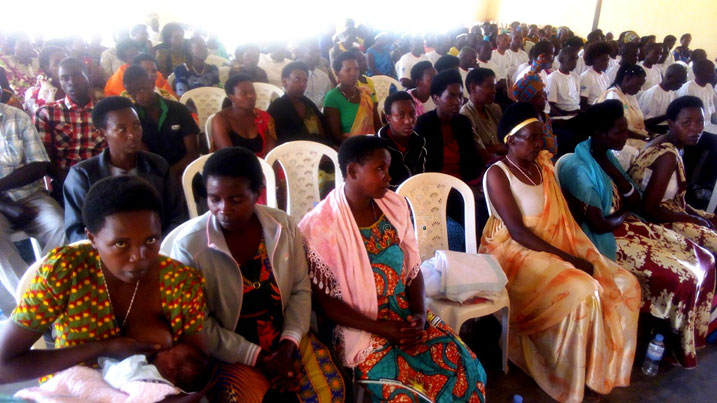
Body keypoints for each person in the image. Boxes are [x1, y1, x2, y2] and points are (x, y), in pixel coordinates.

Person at [299, 135, 486, 402]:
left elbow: (412, 269)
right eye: (380, 169)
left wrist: (419, 316)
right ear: (352, 171)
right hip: (360, 329)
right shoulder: (320, 226)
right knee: (412, 395)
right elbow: (325, 304)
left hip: (405, 315)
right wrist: (384, 328)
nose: (388, 176)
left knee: (468, 368)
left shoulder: (393, 207)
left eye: (387, 168)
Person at [481, 101, 640, 402]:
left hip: (553, 244)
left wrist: (578, 250)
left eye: (540, 136)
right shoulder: (498, 174)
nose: (538, 144)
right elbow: (518, 232)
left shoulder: (544, 167)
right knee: (581, 289)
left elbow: (562, 217)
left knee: (625, 282)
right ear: (511, 140)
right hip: (515, 253)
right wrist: (570, 260)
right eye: (531, 137)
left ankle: (599, 368)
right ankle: (565, 376)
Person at [0, 175, 207, 392]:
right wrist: (102, 348)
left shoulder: (180, 282)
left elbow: (199, 368)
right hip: (73, 392)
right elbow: (4, 367)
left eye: (150, 240)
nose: (139, 256)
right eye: (121, 244)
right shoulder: (66, 271)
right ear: (92, 238)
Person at [169, 147, 346, 402]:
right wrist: (260, 358)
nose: (224, 209)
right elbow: (198, 324)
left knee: (331, 392)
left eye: (236, 200)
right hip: (229, 350)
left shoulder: (283, 227)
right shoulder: (189, 247)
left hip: (287, 337)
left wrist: (287, 347)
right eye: (214, 199)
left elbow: (300, 289)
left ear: (257, 193)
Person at [558, 100, 716, 368]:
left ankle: (681, 333)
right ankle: (668, 339)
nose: (626, 136)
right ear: (599, 133)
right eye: (619, 131)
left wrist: (618, 185)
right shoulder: (578, 167)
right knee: (683, 277)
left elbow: (633, 198)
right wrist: (624, 212)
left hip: (630, 225)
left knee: (702, 258)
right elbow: (599, 224)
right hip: (607, 238)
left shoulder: (607, 156)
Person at [63, 97, 187, 243]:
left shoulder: (157, 165)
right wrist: (115, 249)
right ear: (102, 134)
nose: (132, 135)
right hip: (109, 254)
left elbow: (178, 217)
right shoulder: (82, 176)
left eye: (136, 125)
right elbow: (76, 232)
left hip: (159, 247)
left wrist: (157, 245)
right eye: (122, 129)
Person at [628, 96, 717, 266]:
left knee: (712, 220)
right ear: (671, 124)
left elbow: (675, 199)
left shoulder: (670, 143)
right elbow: (649, 210)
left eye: (699, 121)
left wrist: (695, 215)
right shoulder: (667, 155)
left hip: (669, 208)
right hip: (656, 220)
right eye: (686, 123)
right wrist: (693, 219)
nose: (695, 129)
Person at [0, 103, 65, 296]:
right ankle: (28, 299)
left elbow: (38, 166)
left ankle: (48, 286)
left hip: (29, 194)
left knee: (59, 225)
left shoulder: (17, 117)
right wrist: (6, 206)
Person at [35, 57, 106, 199]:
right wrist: (74, 183)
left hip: (102, 179)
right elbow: (45, 160)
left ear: (88, 76)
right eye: (64, 78)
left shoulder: (104, 109)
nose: (72, 82)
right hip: (65, 181)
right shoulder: (47, 113)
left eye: (77, 75)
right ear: (59, 82)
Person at [123, 66, 199, 179]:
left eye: (141, 90)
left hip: (185, 170)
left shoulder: (178, 109)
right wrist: (164, 178)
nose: (138, 97)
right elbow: (148, 159)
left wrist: (171, 174)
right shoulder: (133, 118)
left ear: (152, 83)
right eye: (132, 94)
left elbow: (193, 153)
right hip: (154, 175)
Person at [415, 69, 484, 183]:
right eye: (451, 96)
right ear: (436, 99)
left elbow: (471, 159)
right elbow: (422, 166)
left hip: (464, 182)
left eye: (460, 96)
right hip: (435, 183)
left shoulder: (463, 122)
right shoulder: (423, 124)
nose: (457, 101)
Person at [211, 74, 277, 157]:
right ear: (231, 97)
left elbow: (271, 155)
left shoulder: (263, 117)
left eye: (252, 91)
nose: (250, 96)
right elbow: (229, 156)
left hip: (262, 163)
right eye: (244, 93)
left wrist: (264, 165)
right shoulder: (221, 120)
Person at [267, 61, 332, 145]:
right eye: (297, 79)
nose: (302, 84)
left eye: (305, 81)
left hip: (321, 148)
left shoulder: (307, 103)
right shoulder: (277, 108)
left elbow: (324, 127)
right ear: (284, 81)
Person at [324, 52, 380, 143]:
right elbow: (336, 136)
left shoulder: (366, 94)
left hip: (373, 143)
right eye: (348, 70)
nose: (353, 74)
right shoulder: (332, 98)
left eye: (356, 69)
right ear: (337, 73)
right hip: (349, 146)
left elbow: (378, 126)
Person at [376, 91, 426, 188]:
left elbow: (423, 177)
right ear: (388, 119)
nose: (408, 121)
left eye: (412, 114)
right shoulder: (376, 148)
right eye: (401, 115)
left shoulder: (420, 142)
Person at [597, 64, 650, 145]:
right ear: (627, 79)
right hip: (620, 140)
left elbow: (638, 122)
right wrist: (645, 138)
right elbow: (617, 128)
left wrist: (650, 135)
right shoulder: (613, 96)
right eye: (638, 84)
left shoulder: (630, 95)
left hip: (636, 137)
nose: (639, 88)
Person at [461, 67, 506, 158]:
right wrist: (495, 148)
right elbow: (479, 153)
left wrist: (493, 148)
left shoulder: (495, 109)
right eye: (490, 86)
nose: (494, 91)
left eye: (494, 86)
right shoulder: (466, 115)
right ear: (473, 88)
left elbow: (507, 140)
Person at [513, 69, 558, 156]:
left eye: (543, 94)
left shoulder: (545, 117)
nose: (544, 99)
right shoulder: (524, 122)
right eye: (538, 97)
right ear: (527, 100)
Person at [638, 63, 687, 133]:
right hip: (653, 129)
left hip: (666, 127)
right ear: (669, 77)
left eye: (682, 83)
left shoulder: (672, 93)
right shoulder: (653, 94)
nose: (680, 85)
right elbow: (646, 123)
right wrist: (668, 115)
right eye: (678, 82)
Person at [23, 46, 68, 116]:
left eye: (66, 61)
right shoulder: (35, 95)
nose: (64, 66)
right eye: (57, 63)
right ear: (47, 68)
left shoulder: (79, 88)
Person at [0, 34, 39, 104]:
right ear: (12, 48)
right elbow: (11, 86)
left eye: (29, 43)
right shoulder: (5, 62)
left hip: (40, 99)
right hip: (16, 102)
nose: (27, 47)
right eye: (23, 44)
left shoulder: (38, 62)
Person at [293, 39, 332, 108]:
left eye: (318, 51)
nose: (317, 55)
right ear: (303, 54)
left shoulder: (324, 77)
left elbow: (328, 98)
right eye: (312, 52)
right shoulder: (294, 77)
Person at [546, 47, 581, 118]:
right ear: (561, 60)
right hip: (562, 114)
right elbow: (550, 105)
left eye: (576, 59)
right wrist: (564, 116)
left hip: (576, 112)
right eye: (571, 59)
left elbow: (576, 101)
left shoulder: (575, 77)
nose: (575, 63)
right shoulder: (553, 77)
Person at [580, 41, 613, 107]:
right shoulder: (587, 76)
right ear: (593, 59)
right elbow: (583, 103)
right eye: (603, 60)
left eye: (607, 60)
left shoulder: (605, 76)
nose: (606, 63)